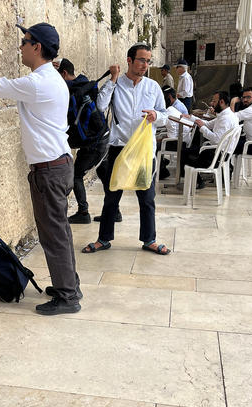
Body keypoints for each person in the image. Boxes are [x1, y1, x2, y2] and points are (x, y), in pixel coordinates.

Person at [0, 23, 82, 315]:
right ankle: (69, 284)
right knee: (59, 231)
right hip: (57, 165)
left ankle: (68, 296)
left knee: (53, 235)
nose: (20, 46)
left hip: (49, 171)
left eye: (25, 41)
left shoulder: (37, 83)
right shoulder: (52, 79)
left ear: (37, 47)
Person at [81, 42, 171, 256]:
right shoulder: (117, 84)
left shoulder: (152, 87)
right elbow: (101, 107)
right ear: (129, 60)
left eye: (148, 61)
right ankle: (104, 239)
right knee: (112, 196)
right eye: (141, 60)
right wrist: (112, 79)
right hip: (119, 147)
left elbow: (165, 115)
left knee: (147, 198)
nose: (145, 65)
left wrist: (156, 116)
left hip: (143, 150)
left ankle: (149, 239)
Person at [58, 58, 108, 224]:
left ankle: (83, 212)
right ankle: (114, 212)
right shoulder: (84, 84)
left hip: (94, 143)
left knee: (76, 176)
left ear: (64, 73)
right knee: (104, 172)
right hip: (103, 137)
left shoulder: (72, 91)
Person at [180, 90, 239, 189]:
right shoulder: (225, 114)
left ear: (221, 102)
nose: (211, 104)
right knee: (189, 150)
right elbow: (208, 124)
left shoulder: (225, 119)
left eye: (214, 101)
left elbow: (216, 139)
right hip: (220, 152)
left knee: (186, 154)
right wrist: (191, 118)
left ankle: (196, 182)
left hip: (218, 155)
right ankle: (194, 181)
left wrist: (202, 128)